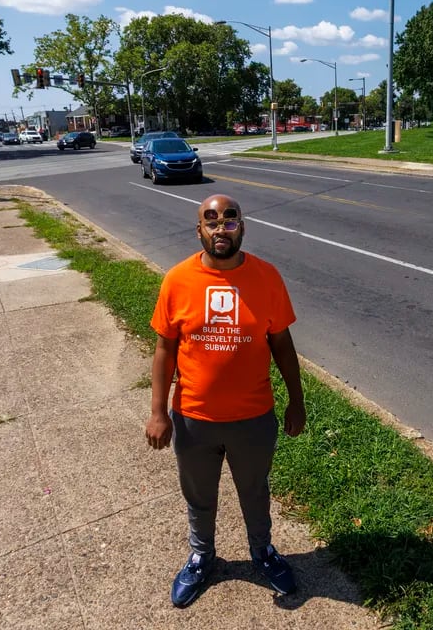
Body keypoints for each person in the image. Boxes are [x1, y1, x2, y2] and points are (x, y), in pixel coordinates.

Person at [145, 193, 306, 608]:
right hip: (193, 418)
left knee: (254, 489)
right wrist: (157, 412)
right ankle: (201, 556)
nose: (221, 227)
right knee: (199, 495)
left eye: (229, 219)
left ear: (242, 228)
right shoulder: (178, 280)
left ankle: (263, 552)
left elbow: (283, 345)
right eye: (211, 220)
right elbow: (165, 349)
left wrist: (296, 400)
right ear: (199, 230)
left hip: (253, 418)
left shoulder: (267, 277)